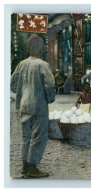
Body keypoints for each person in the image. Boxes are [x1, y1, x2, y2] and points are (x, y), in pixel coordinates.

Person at [10, 34, 56, 178]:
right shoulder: (43, 65)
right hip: (38, 106)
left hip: (23, 105)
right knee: (38, 137)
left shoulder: (21, 64)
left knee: (26, 136)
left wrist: (23, 92)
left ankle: (24, 166)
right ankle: (32, 168)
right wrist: (50, 99)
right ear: (41, 49)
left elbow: (12, 84)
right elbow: (49, 86)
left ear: (28, 48)